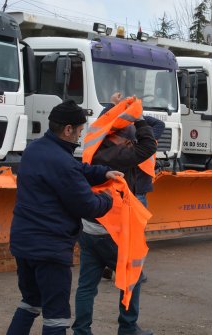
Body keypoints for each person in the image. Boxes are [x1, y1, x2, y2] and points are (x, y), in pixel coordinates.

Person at [7, 100, 120, 335]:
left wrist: (102, 173)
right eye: (79, 131)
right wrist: (110, 197)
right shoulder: (62, 161)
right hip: (50, 248)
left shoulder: (35, 149)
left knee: (30, 302)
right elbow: (88, 206)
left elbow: (75, 170)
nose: (80, 136)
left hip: (24, 244)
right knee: (56, 317)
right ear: (68, 129)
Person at [72, 93, 161, 335]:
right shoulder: (120, 155)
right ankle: (128, 327)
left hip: (90, 228)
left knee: (87, 285)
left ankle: (81, 330)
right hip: (112, 231)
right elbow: (149, 145)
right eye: (129, 142)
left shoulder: (96, 145)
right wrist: (139, 118)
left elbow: (104, 121)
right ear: (122, 140)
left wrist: (115, 107)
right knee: (132, 276)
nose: (131, 145)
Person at [101, 92, 165, 282]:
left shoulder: (133, 141)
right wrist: (121, 108)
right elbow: (103, 122)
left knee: (119, 231)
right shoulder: (133, 144)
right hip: (134, 191)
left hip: (131, 189)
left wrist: (131, 113)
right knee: (133, 234)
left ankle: (110, 264)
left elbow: (158, 125)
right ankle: (132, 270)